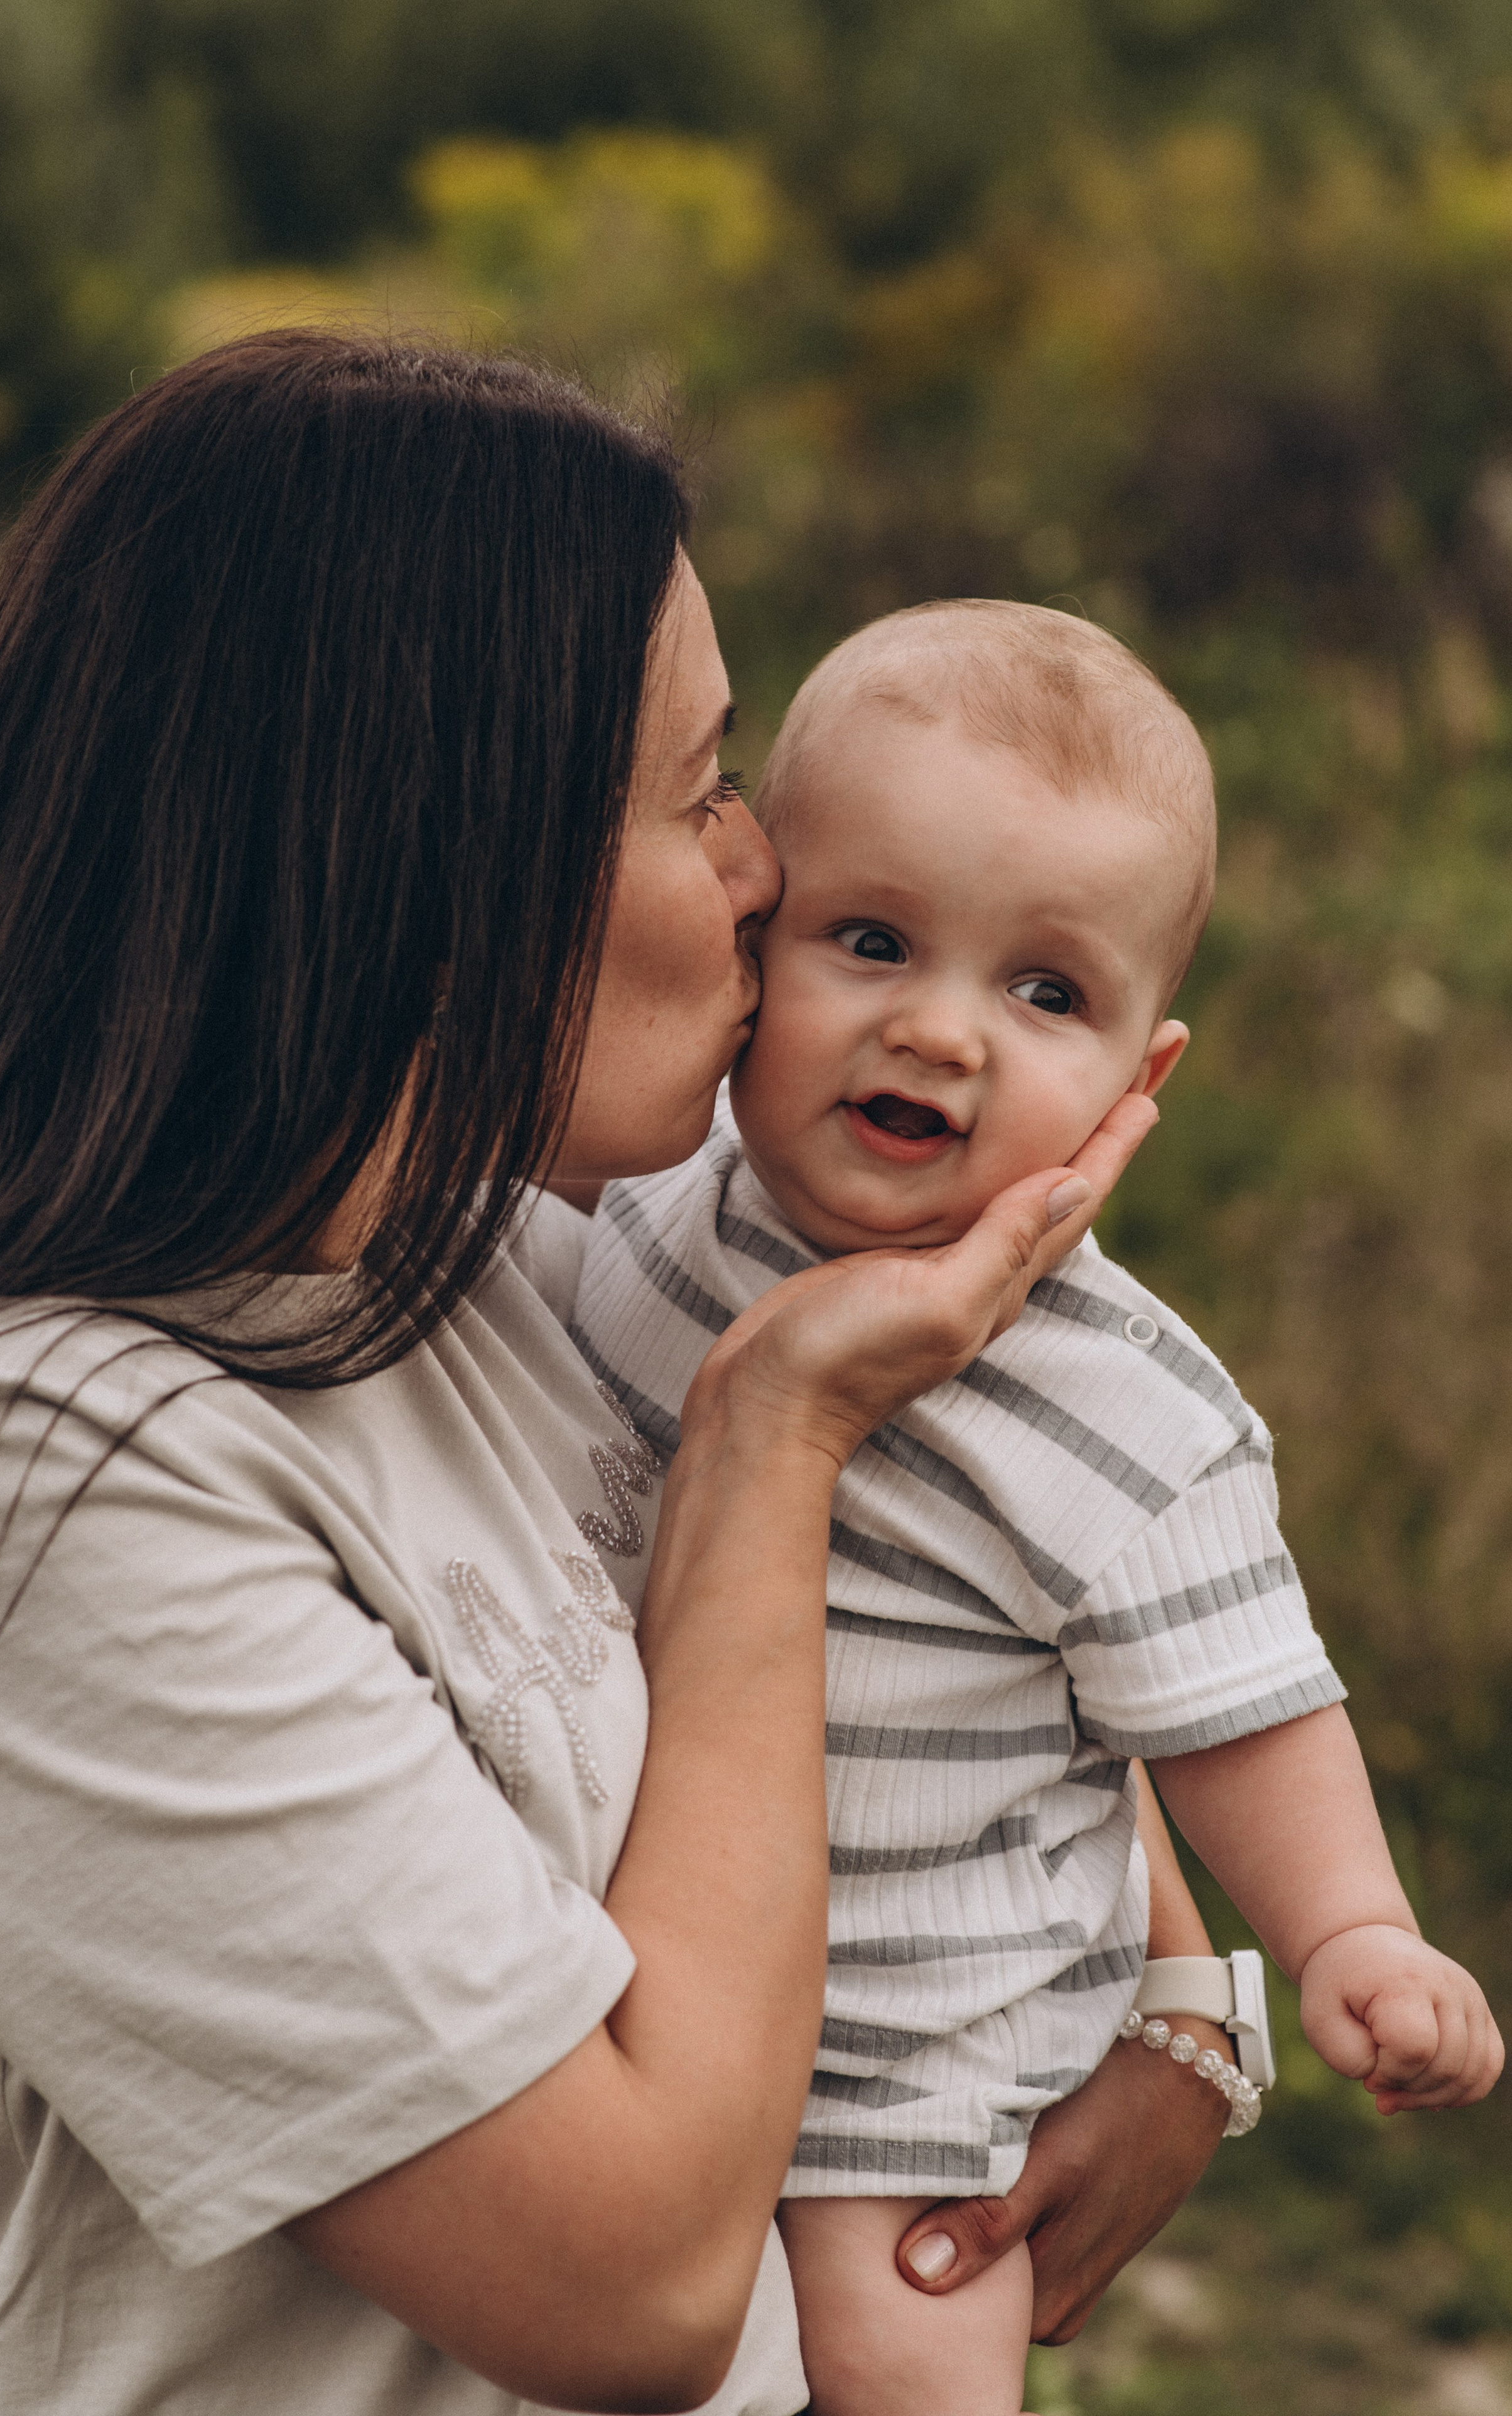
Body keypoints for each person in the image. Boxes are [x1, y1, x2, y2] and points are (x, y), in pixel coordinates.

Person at [0, 335, 1233, 2416]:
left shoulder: (503, 1254)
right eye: (698, 795)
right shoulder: (32, 1484)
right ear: (431, 864)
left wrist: (1186, 2006)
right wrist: (777, 1438)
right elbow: (631, 2290)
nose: (765, 874)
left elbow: (950, 1615)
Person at [570, 600, 1506, 2416]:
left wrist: (1350, 1932)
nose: (941, 1032)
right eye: (872, 942)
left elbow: (1239, 1706)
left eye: (1047, 993)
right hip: (612, 1989)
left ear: (1140, 1082)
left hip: (901, 2076)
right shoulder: (648, 1194)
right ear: (754, 949)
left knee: (903, 2361)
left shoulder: (1124, 1408)